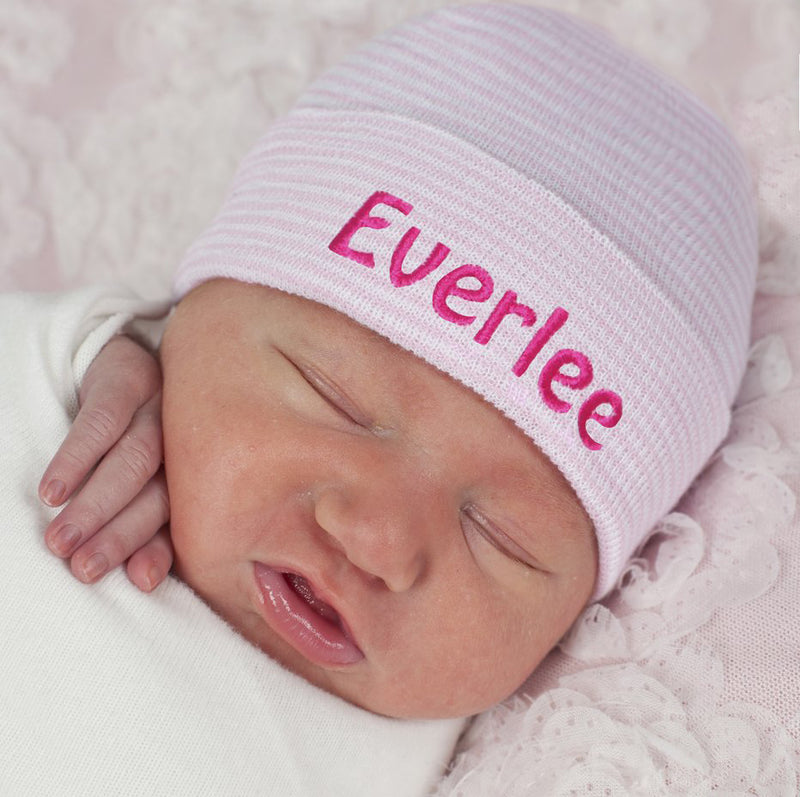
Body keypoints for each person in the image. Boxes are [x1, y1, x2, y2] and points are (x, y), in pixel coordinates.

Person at [4, 2, 757, 792]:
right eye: (332, 397)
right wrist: (97, 343)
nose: (375, 539)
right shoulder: (60, 397)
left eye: (500, 537)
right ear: (189, 314)